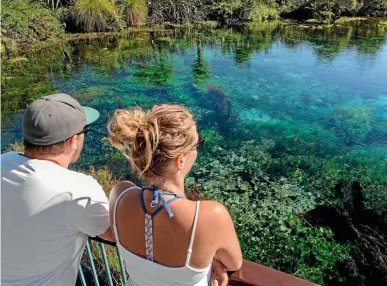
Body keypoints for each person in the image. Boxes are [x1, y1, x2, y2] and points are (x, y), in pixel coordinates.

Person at [107, 104, 243, 286]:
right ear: (180, 160)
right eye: (198, 143)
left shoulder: (120, 196)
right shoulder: (210, 216)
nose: (198, 148)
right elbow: (234, 263)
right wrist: (208, 259)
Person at [1, 93, 114, 286]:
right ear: (73, 141)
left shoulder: (4, 161)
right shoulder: (77, 189)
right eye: (84, 131)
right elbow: (114, 234)